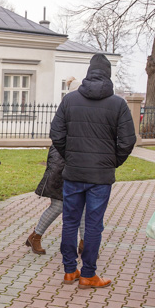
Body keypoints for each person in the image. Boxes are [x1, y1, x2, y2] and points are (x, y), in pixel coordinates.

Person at [50, 53, 136, 289]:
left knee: (70, 222)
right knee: (93, 224)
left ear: (89, 72)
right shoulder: (118, 103)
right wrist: (112, 161)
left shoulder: (70, 100)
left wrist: (71, 156)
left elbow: (56, 134)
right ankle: (88, 274)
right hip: (100, 177)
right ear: (108, 74)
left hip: (75, 173)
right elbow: (128, 141)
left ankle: (69, 271)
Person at [26, 146, 86, 255]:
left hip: (81, 168)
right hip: (61, 169)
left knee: (83, 206)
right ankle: (36, 236)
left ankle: (84, 242)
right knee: (57, 206)